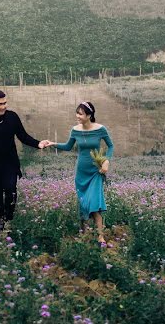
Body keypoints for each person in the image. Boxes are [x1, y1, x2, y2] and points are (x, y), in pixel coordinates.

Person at [0, 89, 50, 230]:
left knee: (10, 191)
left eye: (5, 103)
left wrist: (38, 144)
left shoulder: (12, 117)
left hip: (10, 163)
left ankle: (9, 220)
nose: (3, 106)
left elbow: (23, 136)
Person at [53, 101, 114, 244]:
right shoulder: (75, 130)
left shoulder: (100, 129)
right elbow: (68, 146)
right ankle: (84, 234)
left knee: (94, 202)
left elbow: (110, 146)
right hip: (81, 172)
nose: (77, 116)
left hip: (95, 171)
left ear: (89, 115)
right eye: (77, 113)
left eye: (80, 113)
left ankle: (100, 236)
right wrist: (53, 143)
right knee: (84, 204)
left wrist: (106, 161)